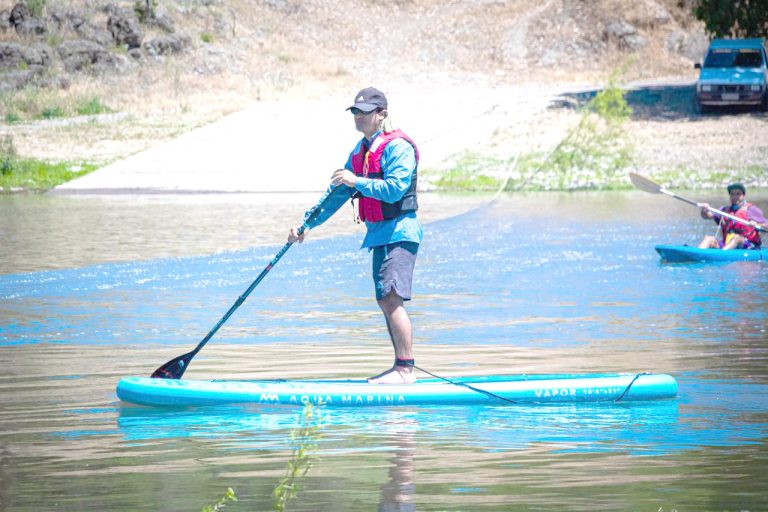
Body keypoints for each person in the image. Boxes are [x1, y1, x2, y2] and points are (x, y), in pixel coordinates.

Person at [288, 87, 422, 384]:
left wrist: (357, 180)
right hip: (379, 235)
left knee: (391, 299)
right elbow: (336, 194)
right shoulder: (362, 151)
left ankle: (405, 370)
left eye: (364, 112)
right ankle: (400, 367)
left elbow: (395, 189)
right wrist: (306, 224)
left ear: (382, 114)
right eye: (355, 112)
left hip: (400, 231)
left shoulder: (398, 147)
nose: (358, 117)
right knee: (384, 299)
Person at [697, 182, 767, 250]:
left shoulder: (751, 209)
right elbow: (707, 216)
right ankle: (697, 253)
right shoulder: (724, 210)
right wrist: (704, 210)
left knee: (737, 238)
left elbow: (766, 225)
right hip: (728, 244)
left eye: (738, 194)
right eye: (732, 194)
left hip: (749, 245)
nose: (735, 197)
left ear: (743, 196)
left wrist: (756, 224)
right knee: (708, 239)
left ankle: (722, 255)